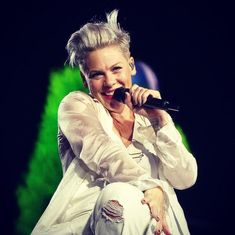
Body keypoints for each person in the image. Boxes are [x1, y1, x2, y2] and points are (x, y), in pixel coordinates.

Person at [32, 9, 197, 235]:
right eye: (97, 74)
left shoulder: (147, 121)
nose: (109, 82)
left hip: (157, 227)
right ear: (84, 79)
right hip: (90, 225)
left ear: (131, 66)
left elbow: (185, 177)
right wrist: (151, 186)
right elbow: (103, 153)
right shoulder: (77, 106)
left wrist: (161, 121)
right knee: (118, 196)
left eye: (116, 68)